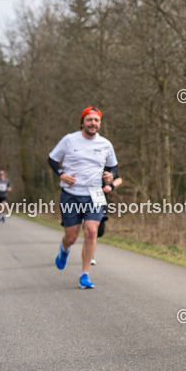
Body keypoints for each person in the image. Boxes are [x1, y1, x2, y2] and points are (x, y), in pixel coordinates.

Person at [48, 107, 119, 289]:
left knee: (91, 231)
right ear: (82, 122)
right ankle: (64, 250)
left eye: (96, 120)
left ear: (100, 124)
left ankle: (85, 275)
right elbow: (52, 159)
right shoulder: (69, 140)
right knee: (71, 237)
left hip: (95, 193)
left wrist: (110, 177)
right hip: (71, 193)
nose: (93, 123)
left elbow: (114, 168)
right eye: (89, 120)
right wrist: (61, 174)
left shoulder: (105, 144)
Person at [91, 173, 123, 266]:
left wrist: (111, 186)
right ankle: (91, 255)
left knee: (100, 231)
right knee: (91, 230)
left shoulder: (105, 163)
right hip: (83, 196)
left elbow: (119, 179)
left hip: (99, 197)